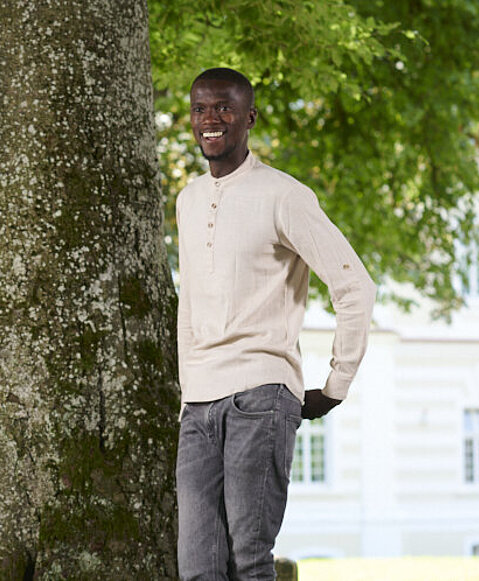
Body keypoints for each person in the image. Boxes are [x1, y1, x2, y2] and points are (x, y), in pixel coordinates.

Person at [174, 68, 377, 580]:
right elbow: (189, 306)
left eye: (223, 108)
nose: (210, 120)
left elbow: (354, 285)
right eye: (200, 109)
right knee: (198, 568)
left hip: (260, 395)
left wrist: (336, 385)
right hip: (198, 405)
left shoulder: (284, 196)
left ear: (249, 117)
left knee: (249, 561)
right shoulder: (189, 200)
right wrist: (186, 391)